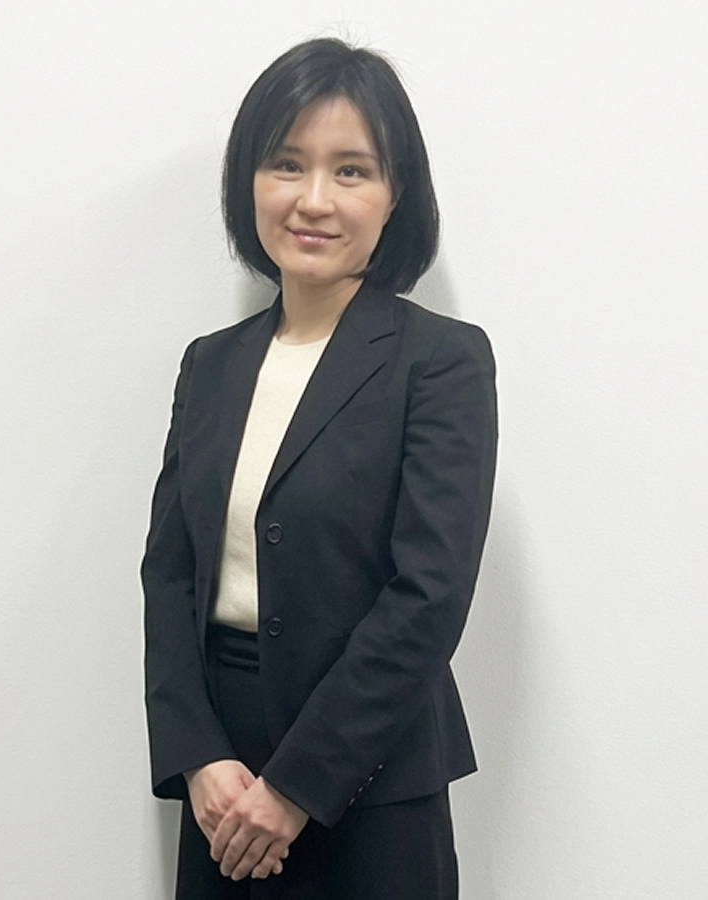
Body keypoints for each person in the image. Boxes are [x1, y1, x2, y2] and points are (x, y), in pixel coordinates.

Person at [142, 37, 497, 899]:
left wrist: (296, 788)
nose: (314, 199)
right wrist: (197, 756)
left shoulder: (440, 361)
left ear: (395, 194)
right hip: (223, 791)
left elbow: (429, 595)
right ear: (249, 183)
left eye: (351, 171)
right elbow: (170, 572)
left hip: (372, 779)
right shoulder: (209, 364)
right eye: (287, 164)